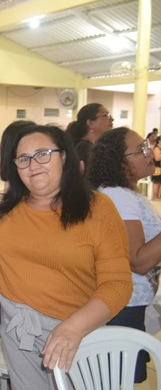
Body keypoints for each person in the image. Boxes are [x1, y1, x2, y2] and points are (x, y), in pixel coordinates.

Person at [0, 124, 133, 390]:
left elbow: (118, 284)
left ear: (64, 157)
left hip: (75, 330)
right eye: (24, 159)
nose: (33, 165)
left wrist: (74, 328)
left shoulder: (98, 209)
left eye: (43, 154)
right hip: (17, 329)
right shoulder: (7, 210)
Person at [88, 127, 161, 383]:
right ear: (119, 162)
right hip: (125, 305)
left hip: (131, 301)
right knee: (120, 378)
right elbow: (138, 261)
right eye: (140, 150)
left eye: (147, 147)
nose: (149, 152)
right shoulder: (117, 196)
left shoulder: (125, 193)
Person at [65, 103, 113, 171]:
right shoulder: (84, 149)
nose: (112, 119)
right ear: (90, 123)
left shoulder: (93, 147)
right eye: (106, 115)